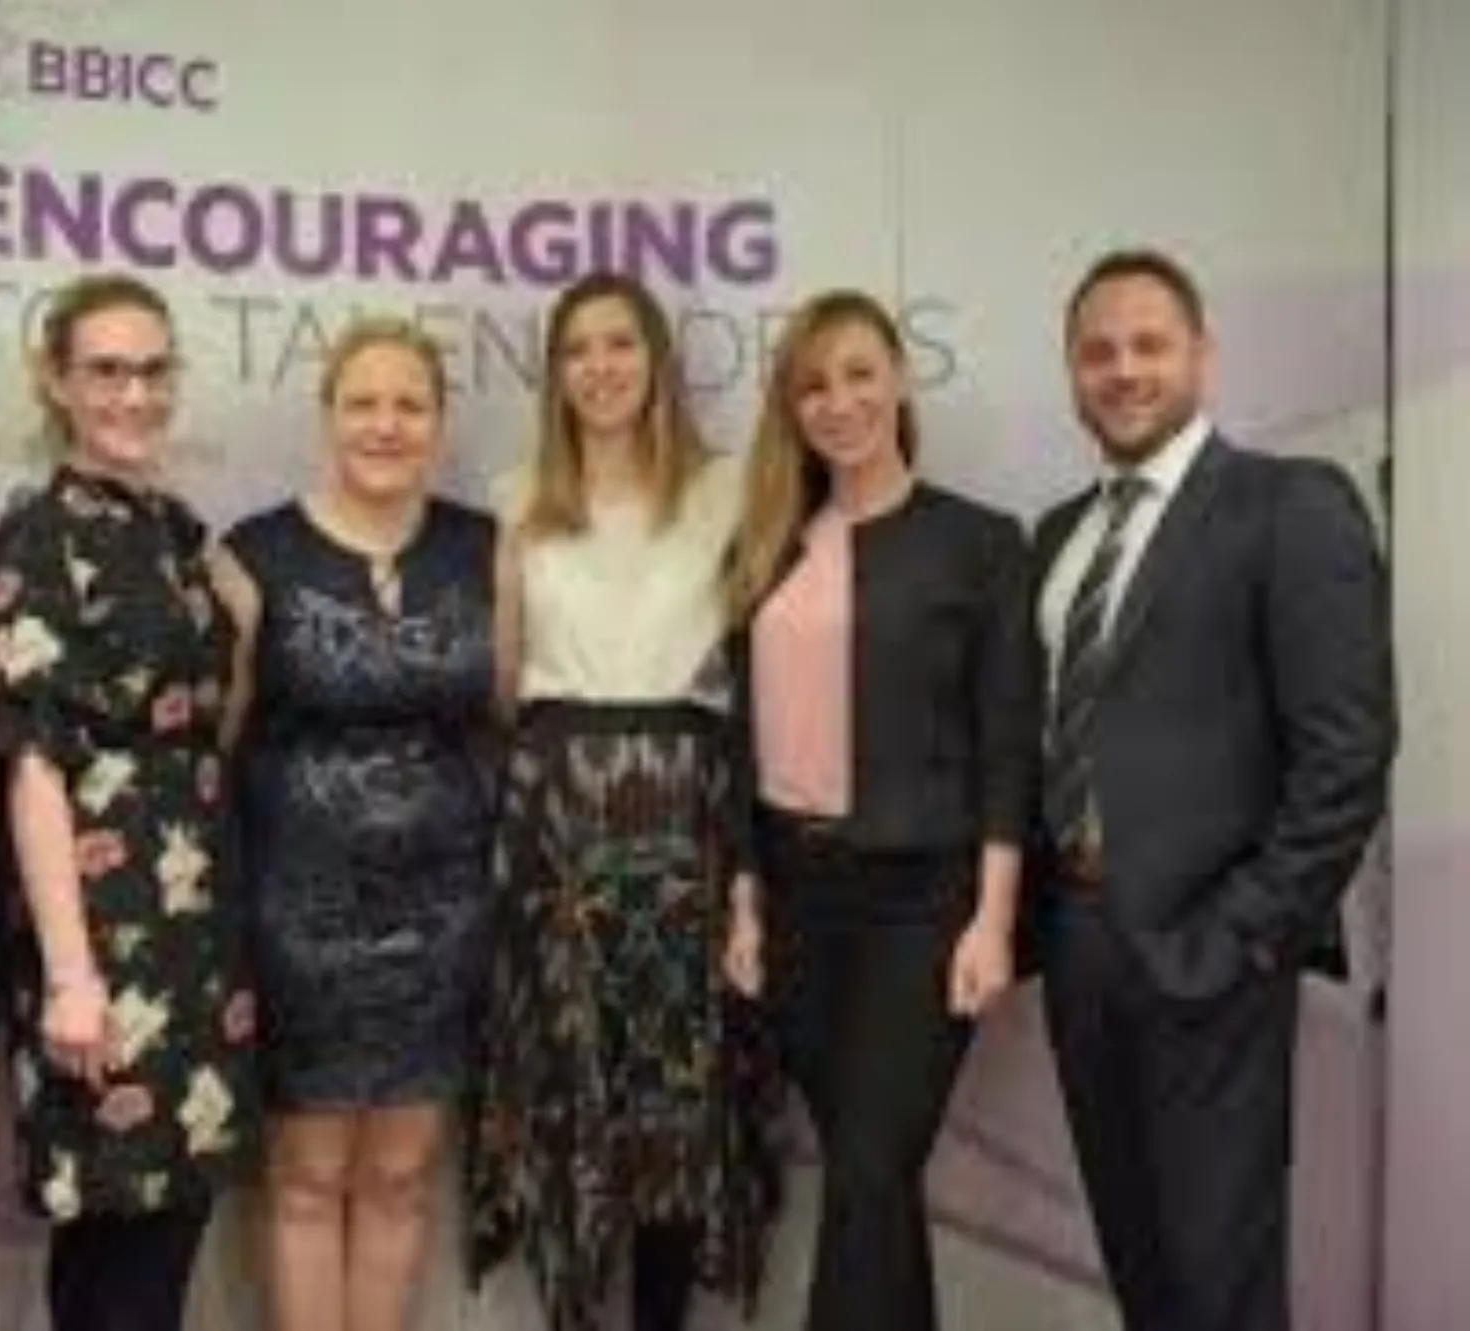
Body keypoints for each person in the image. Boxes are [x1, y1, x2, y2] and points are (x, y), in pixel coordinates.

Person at [1032, 248, 1396, 1331]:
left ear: (1201, 355)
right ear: (1071, 370)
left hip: (1210, 953)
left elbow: (1347, 752)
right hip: (1079, 943)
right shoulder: (1057, 535)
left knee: (1218, 1280)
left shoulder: (1288, 505)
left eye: (1148, 345)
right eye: (1097, 351)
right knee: (1140, 1266)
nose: (1122, 370)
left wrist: (1247, 933)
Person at [464, 271, 780, 1331]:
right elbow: (503, 676)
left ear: (657, 361)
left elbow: (761, 674)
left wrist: (746, 871)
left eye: (620, 344)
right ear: (554, 373)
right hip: (557, 810)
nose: (599, 367)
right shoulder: (517, 496)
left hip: (686, 812)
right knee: (567, 1075)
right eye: (577, 349)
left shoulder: (728, 489)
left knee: (675, 1091)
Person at [725, 289, 1037, 1331]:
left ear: (899, 379)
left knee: (866, 1167)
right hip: (797, 903)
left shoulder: (979, 541)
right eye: (812, 384)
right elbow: (738, 742)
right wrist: (744, 903)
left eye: (859, 373)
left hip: (922, 903)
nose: (839, 401)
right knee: (876, 1185)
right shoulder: (767, 544)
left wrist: (993, 919)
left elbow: (1007, 742)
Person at [0, 273, 260, 1331]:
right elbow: (33, 765)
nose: (134, 394)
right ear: (56, 381)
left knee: (152, 1239)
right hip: (101, 939)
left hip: (196, 935)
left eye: (151, 371)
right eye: (105, 371)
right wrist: (69, 974)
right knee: (119, 1255)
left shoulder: (177, 531)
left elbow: (212, 714)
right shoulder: (38, 536)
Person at [210, 317, 498, 1331]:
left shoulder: (486, 549)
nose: (386, 424)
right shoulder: (251, 556)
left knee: (402, 1172)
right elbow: (217, 742)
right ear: (327, 415)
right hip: (298, 916)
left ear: (439, 422)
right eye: (363, 402)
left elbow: (511, 716)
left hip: (445, 912)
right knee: (304, 1175)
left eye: (409, 404)